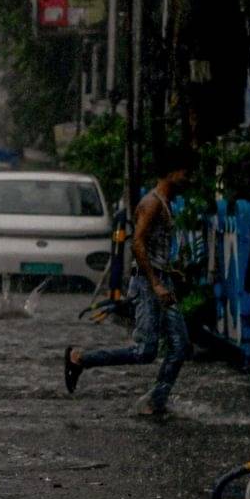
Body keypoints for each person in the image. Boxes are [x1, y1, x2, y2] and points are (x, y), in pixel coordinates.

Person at [64, 155, 194, 415]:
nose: (188, 179)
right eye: (184, 172)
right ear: (169, 173)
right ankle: (79, 359)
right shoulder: (151, 204)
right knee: (145, 351)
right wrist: (155, 283)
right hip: (149, 283)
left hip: (161, 279)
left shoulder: (167, 204)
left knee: (180, 347)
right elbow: (137, 243)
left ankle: (155, 402)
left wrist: (171, 272)